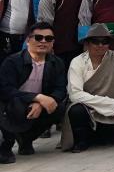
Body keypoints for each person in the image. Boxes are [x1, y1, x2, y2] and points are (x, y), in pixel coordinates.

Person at [61, 24, 114, 153]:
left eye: (105, 42)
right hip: (89, 108)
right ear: (87, 43)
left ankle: (103, 138)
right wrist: (107, 103)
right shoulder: (78, 62)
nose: (100, 45)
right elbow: (75, 94)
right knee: (76, 110)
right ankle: (83, 141)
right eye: (96, 41)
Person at [0, 21, 66, 164]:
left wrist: (41, 103)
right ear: (28, 40)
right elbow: (6, 90)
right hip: (14, 105)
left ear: (53, 42)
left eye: (48, 38)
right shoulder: (12, 62)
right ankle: (6, 145)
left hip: (38, 106)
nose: (43, 41)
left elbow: (60, 90)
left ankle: (26, 139)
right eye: (38, 37)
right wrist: (37, 97)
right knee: (10, 104)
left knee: (58, 107)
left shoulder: (57, 63)